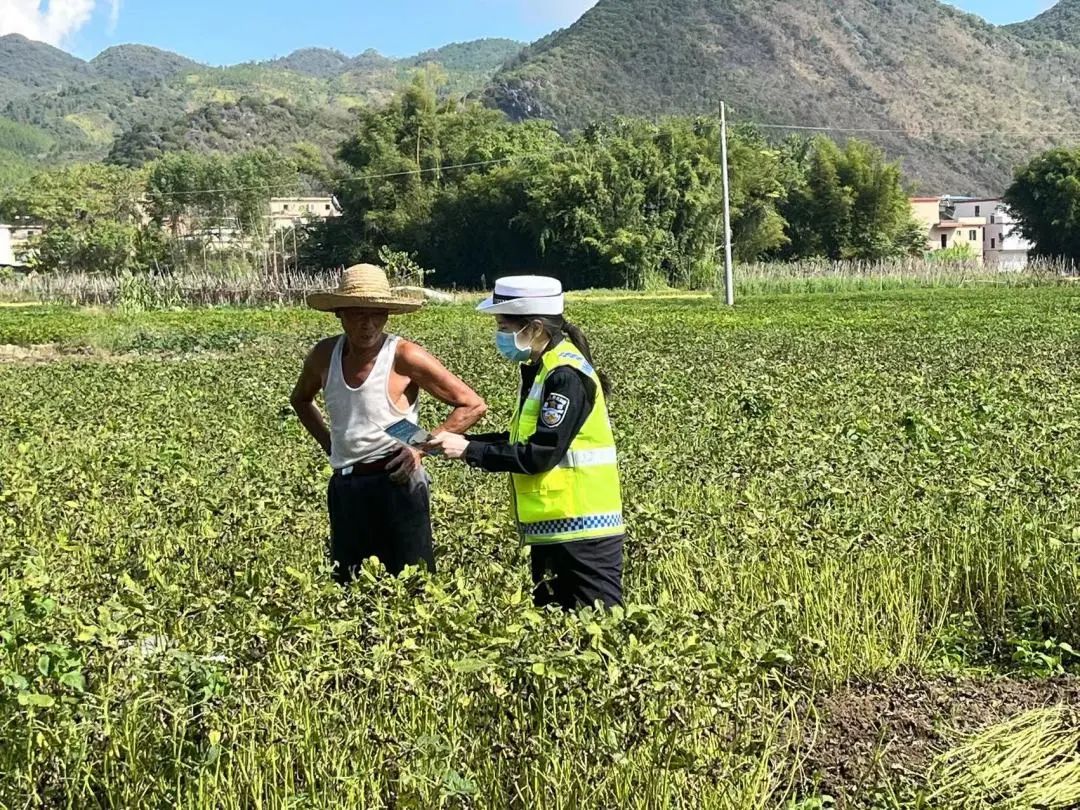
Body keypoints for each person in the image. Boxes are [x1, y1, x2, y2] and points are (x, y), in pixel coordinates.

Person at [424, 276, 624, 610]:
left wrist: (470, 451)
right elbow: (524, 441)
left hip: (583, 531)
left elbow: (540, 455)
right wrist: (463, 441)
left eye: (504, 326)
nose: (500, 335)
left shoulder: (565, 375)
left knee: (600, 631)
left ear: (534, 327)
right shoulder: (543, 369)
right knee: (557, 635)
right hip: (555, 530)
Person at [291, 264, 487, 582]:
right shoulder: (324, 355)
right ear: (339, 313)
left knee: (412, 583)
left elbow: (472, 404)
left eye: (377, 314)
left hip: (398, 482)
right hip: (347, 485)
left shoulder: (403, 355)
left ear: (387, 315)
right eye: (357, 314)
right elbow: (300, 400)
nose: (368, 324)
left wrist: (420, 450)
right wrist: (331, 444)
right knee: (350, 586)